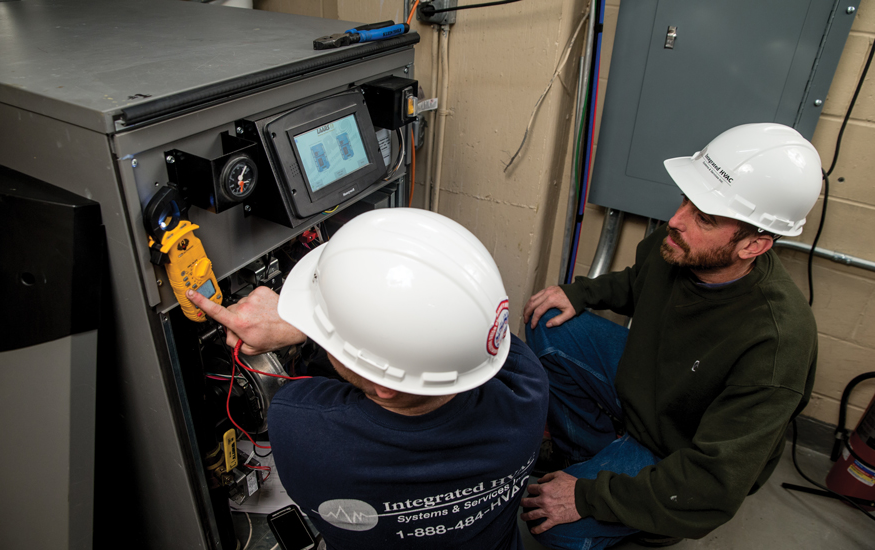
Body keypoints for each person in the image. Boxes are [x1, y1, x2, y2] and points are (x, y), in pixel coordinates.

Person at [519, 123, 822, 549]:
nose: (676, 220)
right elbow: (638, 282)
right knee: (548, 320)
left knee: (554, 524)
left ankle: (650, 512)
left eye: (706, 217)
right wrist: (579, 293)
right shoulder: (682, 244)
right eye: (686, 200)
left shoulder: (776, 342)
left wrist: (589, 498)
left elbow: (713, 484)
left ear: (754, 246)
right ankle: (587, 454)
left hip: (680, 450)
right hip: (652, 391)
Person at [188, 208, 549, 550]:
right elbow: (477, 330)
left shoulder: (298, 425)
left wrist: (295, 322)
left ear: (386, 386)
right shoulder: (528, 390)